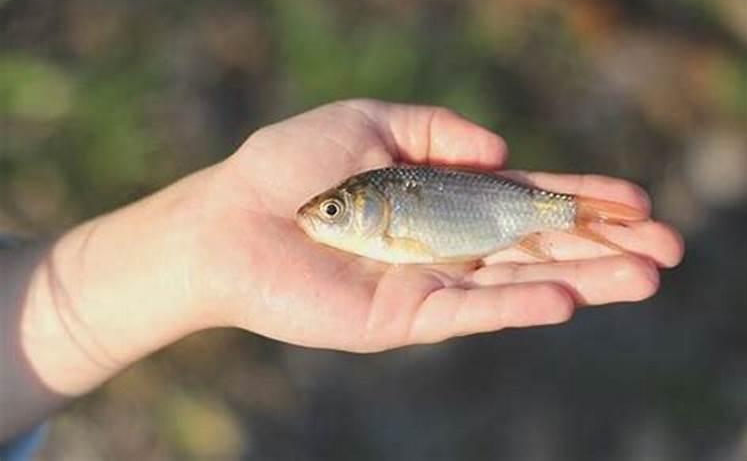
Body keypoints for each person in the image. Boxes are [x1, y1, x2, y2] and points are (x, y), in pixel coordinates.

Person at [0, 100, 683, 444]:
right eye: (332, 209)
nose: (320, 217)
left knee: (569, 220)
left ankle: (584, 217)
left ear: (367, 204)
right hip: (496, 221)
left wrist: (196, 241)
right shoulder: (377, 216)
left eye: (332, 210)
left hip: (504, 216)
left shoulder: (391, 213)